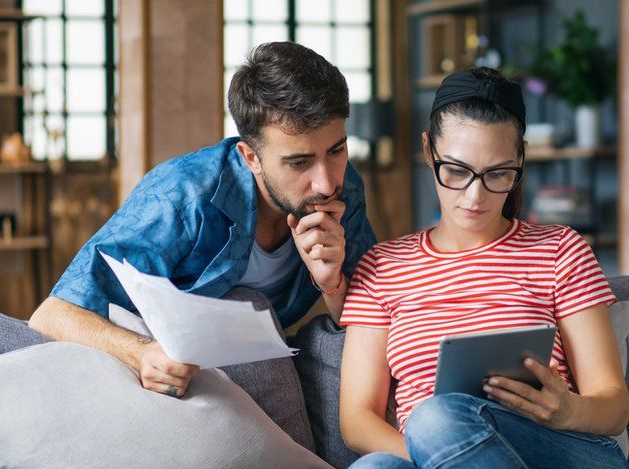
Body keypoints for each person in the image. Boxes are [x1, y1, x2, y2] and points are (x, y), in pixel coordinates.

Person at [334, 67, 629, 469]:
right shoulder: (382, 266)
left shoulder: (560, 250)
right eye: (455, 171)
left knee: (435, 417)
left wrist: (568, 411)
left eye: (498, 174)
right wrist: (444, 460)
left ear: (521, 160)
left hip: (568, 465)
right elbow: (357, 421)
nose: (475, 197)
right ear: (428, 150)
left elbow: (614, 405)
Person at [29, 42, 376, 399]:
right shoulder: (181, 197)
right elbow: (53, 315)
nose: (326, 182)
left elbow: (372, 317)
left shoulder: (343, 186)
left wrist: (332, 285)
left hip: (261, 360)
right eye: (298, 163)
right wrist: (141, 353)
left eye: (336, 150)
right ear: (250, 158)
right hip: (166, 372)